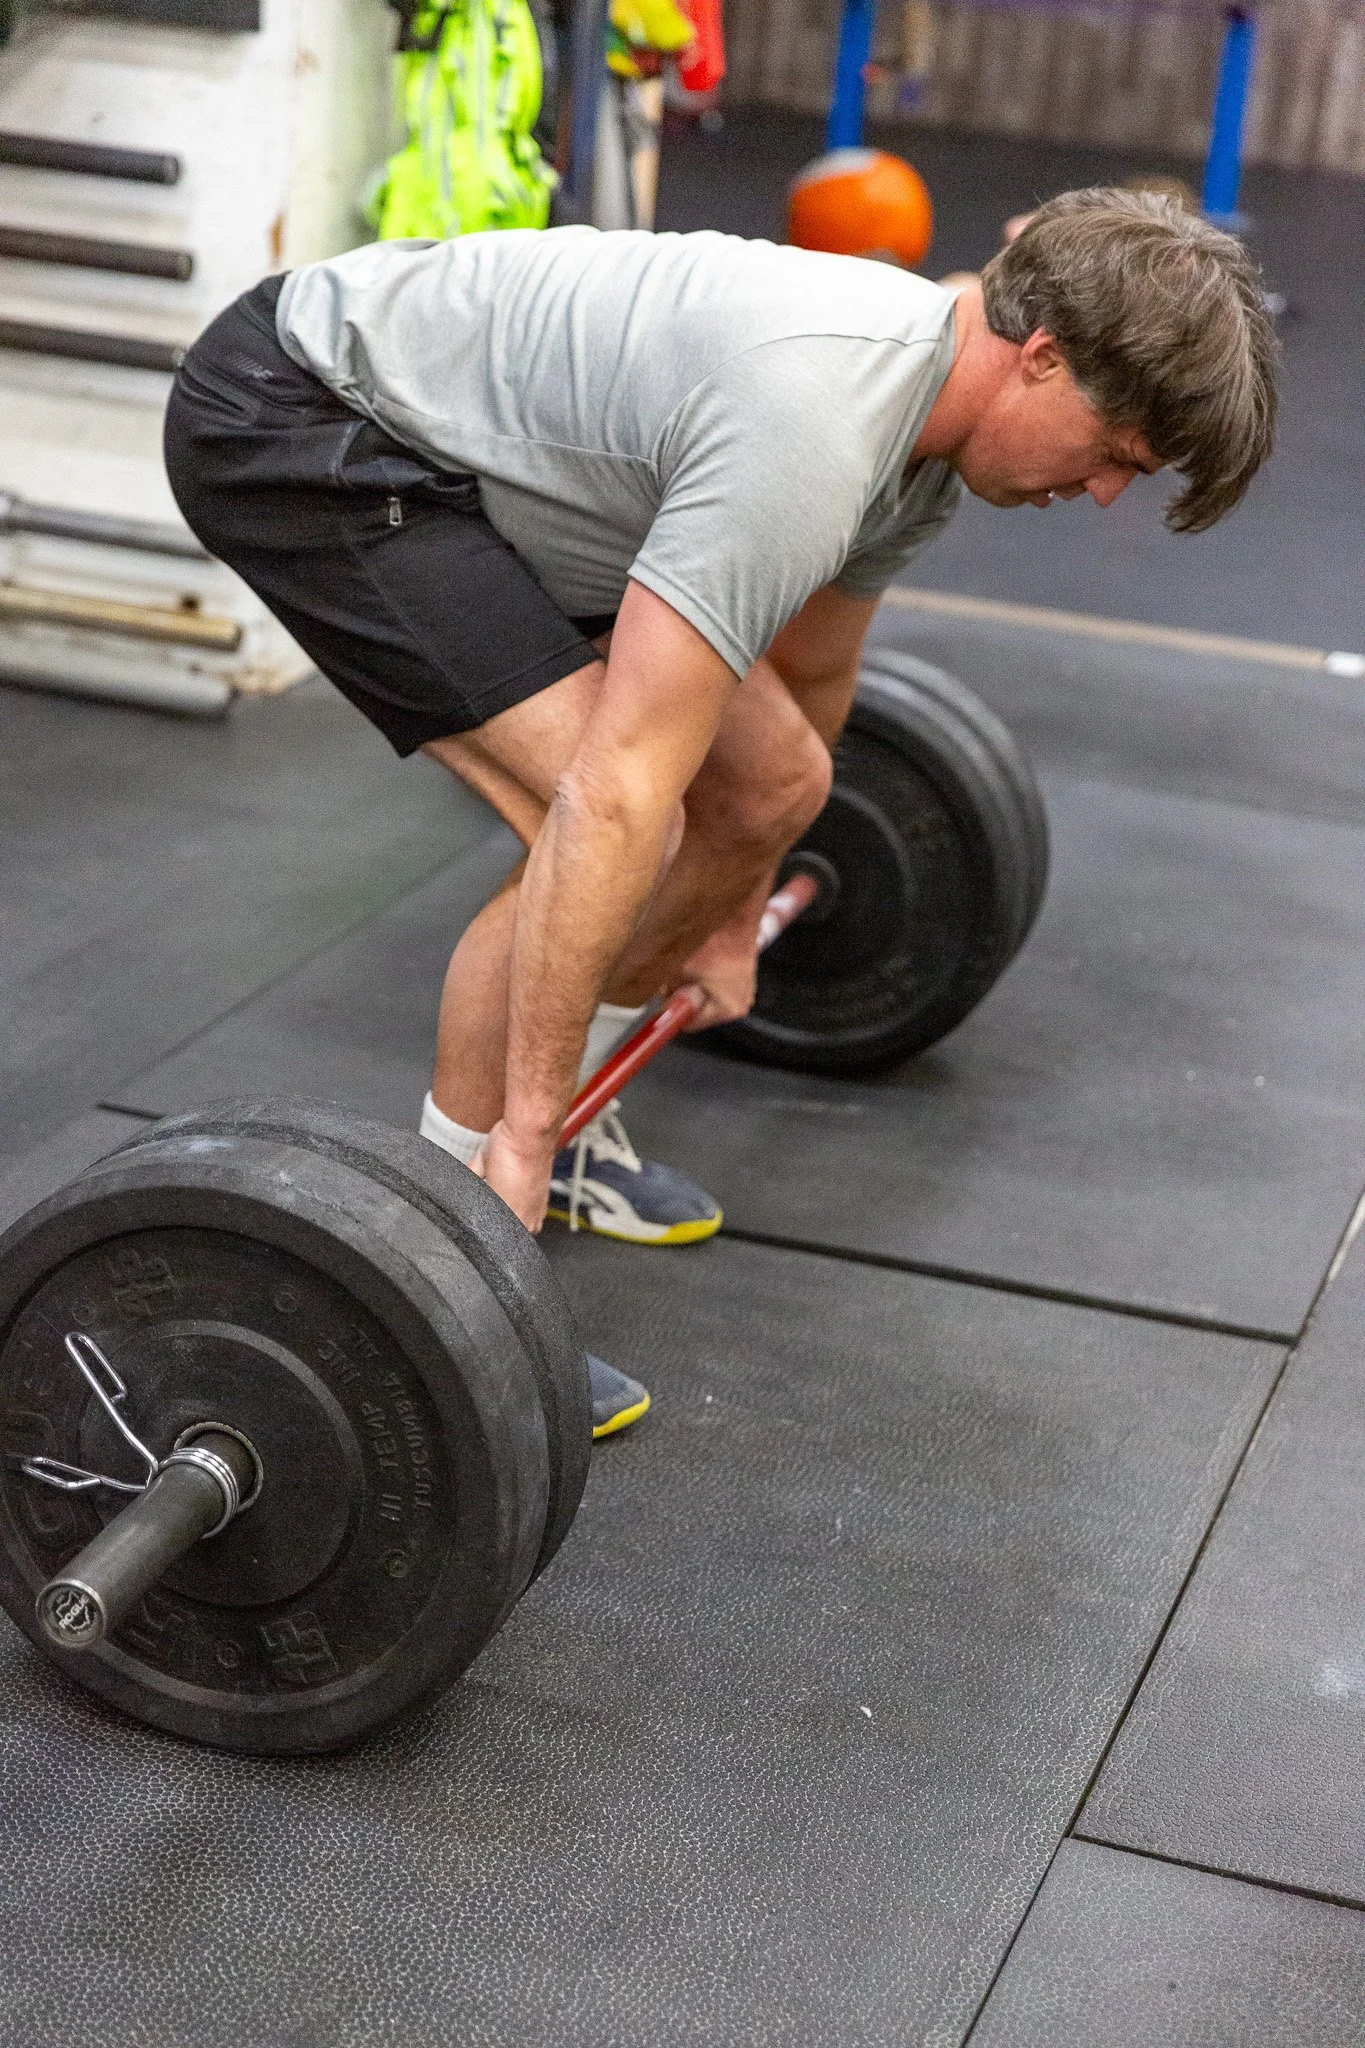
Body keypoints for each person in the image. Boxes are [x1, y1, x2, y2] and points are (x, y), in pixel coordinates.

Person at [162, 188, 1277, 1432]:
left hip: (496, 480)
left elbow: (809, 683)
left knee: (779, 782)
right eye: (1117, 450)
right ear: (1044, 357)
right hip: (314, 421)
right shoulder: (815, 420)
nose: (1110, 491)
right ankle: (450, 1258)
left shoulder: (923, 451)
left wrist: (734, 915)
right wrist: (522, 1128)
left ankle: (544, 1138)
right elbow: (617, 793)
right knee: (609, 830)